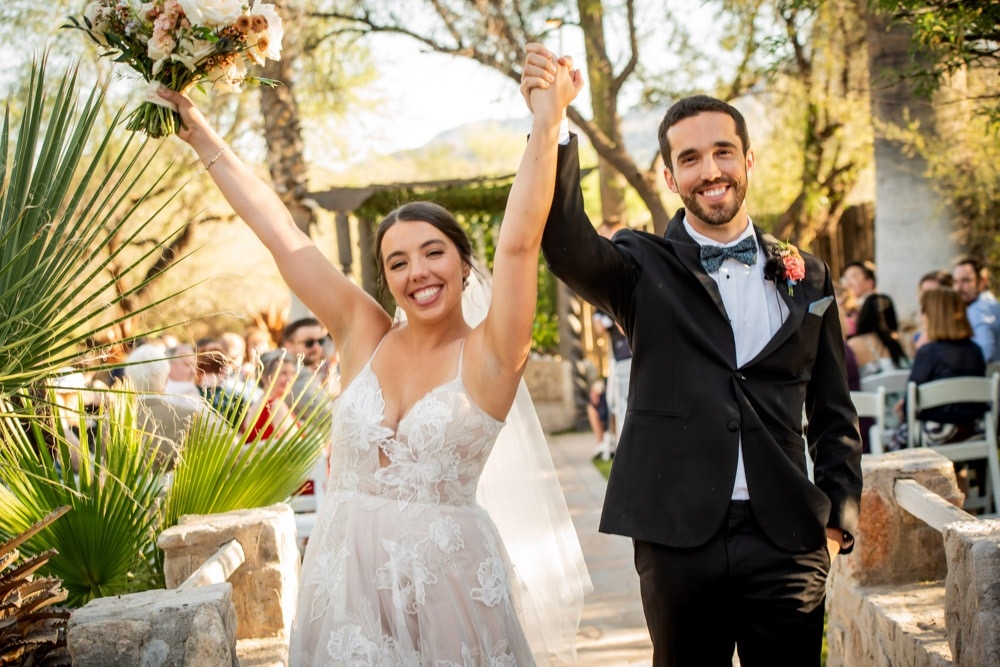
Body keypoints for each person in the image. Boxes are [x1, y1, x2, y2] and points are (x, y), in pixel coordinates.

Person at [160, 62, 590, 665]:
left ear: (465, 266)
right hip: (345, 586)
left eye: (433, 253)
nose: (417, 273)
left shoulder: (492, 353)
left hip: (449, 590)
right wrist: (203, 136)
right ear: (385, 279)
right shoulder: (365, 332)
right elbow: (283, 235)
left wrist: (547, 121)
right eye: (398, 262)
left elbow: (519, 242)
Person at [522, 46, 862, 667]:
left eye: (722, 152)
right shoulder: (637, 266)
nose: (710, 170)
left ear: (747, 160)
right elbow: (566, 241)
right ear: (671, 178)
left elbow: (833, 408)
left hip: (787, 536)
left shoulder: (807, 276)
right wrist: (554, 123)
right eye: (690, 159)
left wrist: (839, 512)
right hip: (676, 536)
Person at [888, 289, 987, 495]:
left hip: (936, 435)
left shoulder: (929, 352)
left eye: (923, 310)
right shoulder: (975, 350)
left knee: (894, 437)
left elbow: (910, 407)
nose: (921, 315)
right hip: (973, 431)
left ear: (933, 315)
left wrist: (905, 408)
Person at [952, 258, 1000, 364]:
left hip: (984, 379)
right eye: (955, 281)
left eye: (966, 281)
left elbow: (985, 353)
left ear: (982, 282)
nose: (958, 288)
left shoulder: (978, 309)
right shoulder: (994, 305)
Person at [842, 260, 898, 343]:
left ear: (870, 281)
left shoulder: (880, 302)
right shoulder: (846, 307)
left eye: (854, 277)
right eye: (846, 278)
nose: (848, 283)